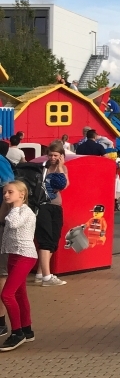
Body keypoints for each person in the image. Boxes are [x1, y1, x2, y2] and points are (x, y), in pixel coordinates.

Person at [0, 180, 37, 350]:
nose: (6, 195)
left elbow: (14, 224)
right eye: (4, 192)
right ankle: (27, 329)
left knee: (7, 294)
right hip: (14, 255)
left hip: (25, 255)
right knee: (20, 294)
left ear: (21, 194)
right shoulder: (13, 210)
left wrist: (15, 206)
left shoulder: (24, 211)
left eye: (10, 192)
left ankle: (17, 333)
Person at [35, 142, 68, 287]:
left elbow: (66, 184)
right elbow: (59, 185)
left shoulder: (62, 168)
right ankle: (46, 277)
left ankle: (40, 273)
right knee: (46, 239)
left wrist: (60, 167)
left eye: (56, 155)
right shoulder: (43, 168)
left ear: (61, 156)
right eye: (50, 155)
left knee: (54, 240)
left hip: (56, 206)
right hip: (43, 206)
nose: (53, 158)